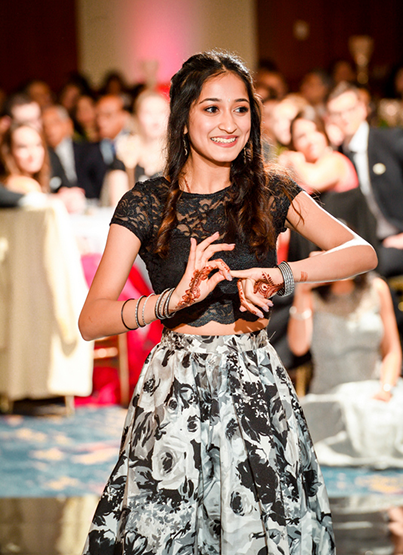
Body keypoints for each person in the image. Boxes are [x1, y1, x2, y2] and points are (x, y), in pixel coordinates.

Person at [79, 50, 377, 554]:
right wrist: (170, 301)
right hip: (175, 388)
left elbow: (360, 252)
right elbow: (92, 319)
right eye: (211, 108)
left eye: (241, 109)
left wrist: (282, 273)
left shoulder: (270, 189)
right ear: (184, 117)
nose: (229, 123)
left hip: (256, 381)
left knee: (266, 533)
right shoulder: (147, 202)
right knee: (167, 532)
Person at [288, 266, 403, 468]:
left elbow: (392, 350)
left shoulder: (377, 288)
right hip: (331, 396)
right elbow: (298, 346)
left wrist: (386, 388)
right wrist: (302, 292)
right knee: (355, 418)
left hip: (376, 389)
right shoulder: (311, 296)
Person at [326, 81, 403, 278]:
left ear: (363, 109)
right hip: (367, 242)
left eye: (350, 110)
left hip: (397, 238)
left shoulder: (391, 141)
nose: (344, 118)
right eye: (337, 114)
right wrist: (330, 146)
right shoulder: (337, 154)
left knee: (367, 271)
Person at [279, 106, 358, 194]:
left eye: (316, 131)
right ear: (294, 144)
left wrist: (295, 161)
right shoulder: (301, 170)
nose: (310, 140)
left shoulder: (335, 160)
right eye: (301, 136)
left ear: (324, 133)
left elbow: (313, 181)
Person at [42, 104, 107, 200]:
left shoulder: (89, 150)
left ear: (68, 124)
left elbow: (102, 184)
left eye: (54, 123)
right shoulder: (42, 156)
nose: (49, 129)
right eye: (44, 126)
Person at [0, 123, 49, 194]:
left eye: (38, 145)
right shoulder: (28, 186)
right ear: (9, 152)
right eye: (23, 147)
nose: (33, 154)